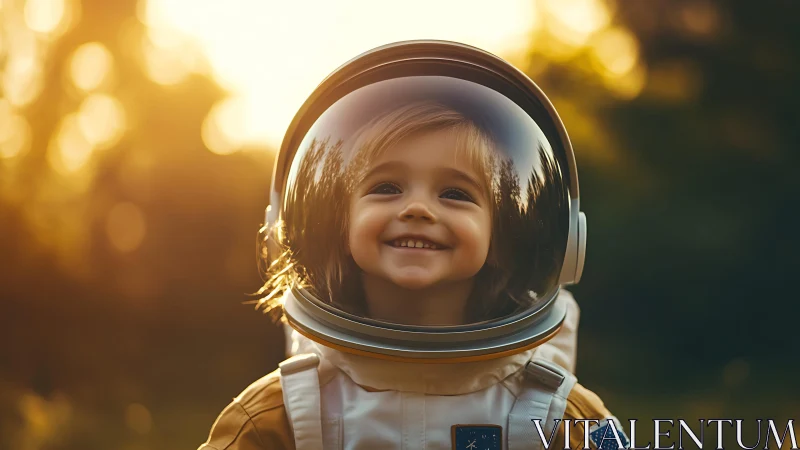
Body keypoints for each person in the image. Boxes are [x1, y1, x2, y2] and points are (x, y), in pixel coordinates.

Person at [198, 41, 628, 450]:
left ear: (502, 240)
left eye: (455, 194)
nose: (418, 208)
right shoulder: (280, 416)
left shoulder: (562, 418)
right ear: (337, 225)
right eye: (387, 187)